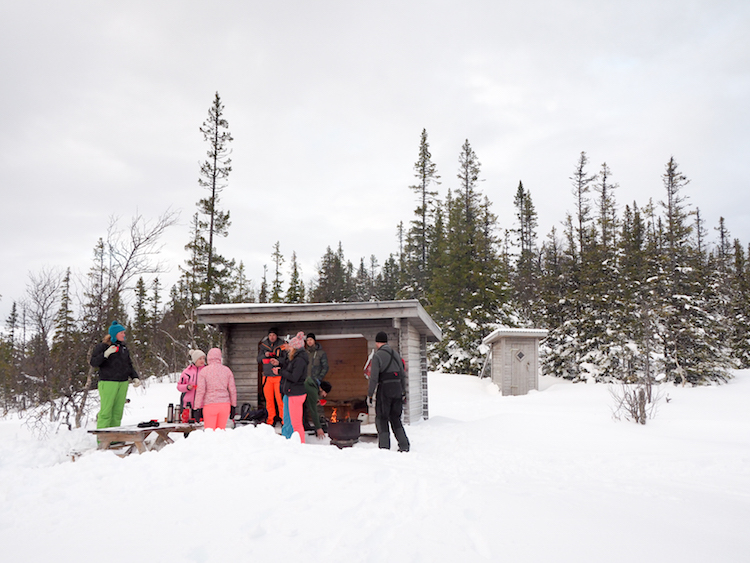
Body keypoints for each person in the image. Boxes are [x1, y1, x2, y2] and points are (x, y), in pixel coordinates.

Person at [89, 321, 141, 429]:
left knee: (117, 412)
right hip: (108, 382)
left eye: (124, 332)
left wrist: (135, 377)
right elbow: (93, 362)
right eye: (121, 332)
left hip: (123, 382)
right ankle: (103, 438)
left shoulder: (124, 348)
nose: (124, 334)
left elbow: (128, 365)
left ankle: (114, 437)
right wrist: (105, 354)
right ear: (114, 334)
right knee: (106, 411)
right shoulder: (102, 346)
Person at [367, 331, 410, 452]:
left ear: (377, 342)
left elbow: (374, 377)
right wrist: (403, 392)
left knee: (381, 418)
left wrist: (370, 394)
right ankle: (404, 445)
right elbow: (402, 375)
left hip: (385, 390)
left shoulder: (377, 356)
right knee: (396, 418)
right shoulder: (396, 354)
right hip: (397, 389)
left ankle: (384, 448)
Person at [277, 331, 309, 443]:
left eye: (290, 345)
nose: (288, 348)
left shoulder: (299, 360)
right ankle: (290, 440)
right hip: (291, 392)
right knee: (289, 419)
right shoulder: (294, 358)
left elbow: (294, 377)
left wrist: (281, 371)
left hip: (296, 393)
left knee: (296, 423)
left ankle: (301, 443)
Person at [194, 348, 237, 430]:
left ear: (209, 357)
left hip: (210, 405)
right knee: (220, 431)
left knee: (210, 432)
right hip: (225, 405)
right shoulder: (227, 370)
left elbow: (200, 391)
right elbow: (233, 390)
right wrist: (233, 406)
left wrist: (197, 408)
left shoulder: (204, 371)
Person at [303, 333, 329, 438]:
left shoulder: (320, 353)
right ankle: (305, 424)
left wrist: (319, 378)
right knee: (304, 404)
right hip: (304, 382)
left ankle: (321, 424)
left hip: (315, 382)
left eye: (311, 340)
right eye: (307, 340)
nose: (309, 342)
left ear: (314, 341)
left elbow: (325, 367)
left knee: (318, 404)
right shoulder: (304, 353)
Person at [258, 327, 285, 426]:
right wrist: (266, 355)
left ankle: (283, 420)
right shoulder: (263, 346)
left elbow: (286, 359)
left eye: (273, 335)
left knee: (280, 400)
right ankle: (270, 420)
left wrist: (278, 360)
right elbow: (258, 359)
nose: (272, 337)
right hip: (267, 377)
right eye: (270, 335)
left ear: (276, 336)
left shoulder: (282, 346)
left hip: (278, 376)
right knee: (269, 400)